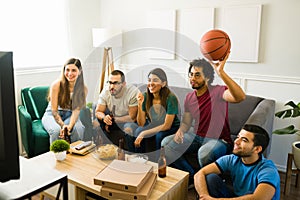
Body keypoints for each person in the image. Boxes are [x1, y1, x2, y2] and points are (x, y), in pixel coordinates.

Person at [161, 54, 246, 180]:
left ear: (207, 78)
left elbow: (240, 97)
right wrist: (180, 130)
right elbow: (186, 122)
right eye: (191, 74)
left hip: (219, 140)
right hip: (196, 136)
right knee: (166, 143)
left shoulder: (218, 92)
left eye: (197, 75)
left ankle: (207, 181)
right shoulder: (189, 97)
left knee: (204, 153)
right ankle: (191, 176)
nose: (192, 78)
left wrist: (221, 72)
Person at [194, 124, 280, 199]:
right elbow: (199, 174)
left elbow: (259, 198)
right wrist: (204, 196)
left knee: (250, 194)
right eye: (238, 137)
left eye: (244, 140)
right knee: (210, 178)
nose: (236, 142)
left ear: (257, 149)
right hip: (237, 196)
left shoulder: (268, 170)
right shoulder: (232, 159)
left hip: (252, 198)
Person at [128, 68, 180, 153]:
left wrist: (144, 133)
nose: (151, 83)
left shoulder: (171, 98)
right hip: (154, 124)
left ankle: (158, 162)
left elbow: (166, 126)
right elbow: (141, 123)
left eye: (155, 80)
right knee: (138, 130)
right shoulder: (145, 96)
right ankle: (139, 159)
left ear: (163, 83)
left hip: (171, 126)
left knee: (159, 136)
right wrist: (140, 105)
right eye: (149, 80)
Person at [42, 58, 88, 144]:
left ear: (80, 71)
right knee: (56, 131)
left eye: (73, 70)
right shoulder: (56, 85)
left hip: (70, 114)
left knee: (78, 129)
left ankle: (75, 156)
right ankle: (57, 156)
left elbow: (76, 111)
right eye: (67, 70)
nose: (70, 73)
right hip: (52, 114)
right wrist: (63, 126)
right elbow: (54, 111)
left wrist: (69, 126)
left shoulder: (83, 89)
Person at [95, 70, 139, 146]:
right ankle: (102, 152)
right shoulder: (106, 91)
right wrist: (104, 118)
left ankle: (128, 155)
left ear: (123, 84)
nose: (111, 86)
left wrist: (114, 119)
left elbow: (133, 118)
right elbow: (98, 111)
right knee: (95, 123)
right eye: (110, 82)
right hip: (112, 117)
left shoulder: (132, 92)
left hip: (127, 120)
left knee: (128, 129)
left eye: (115, 83)